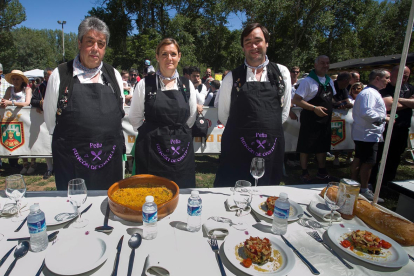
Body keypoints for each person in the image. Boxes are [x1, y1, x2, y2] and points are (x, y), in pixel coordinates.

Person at [43, 17, 125, 190]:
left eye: (101, 44)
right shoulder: (60, 75)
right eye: (90, 42)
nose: (95, 48)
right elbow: (51, 121)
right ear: (79, 43)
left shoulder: (113, 75)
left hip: (109, 160)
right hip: (71, 163)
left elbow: (119, 113)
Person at [214, 23, 291, 187]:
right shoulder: (232, 78)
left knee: (266, 193)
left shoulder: (281, 73)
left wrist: (267, 130)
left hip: (270, 147)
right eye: (248, 42)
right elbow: (223, 115)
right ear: (243, 47)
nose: (253, 46)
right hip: (237, 150)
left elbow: (283, 113)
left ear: (267, 43)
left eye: (258, 40)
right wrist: (243, 135)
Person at [129, 38, 197, 188]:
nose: (169, 58)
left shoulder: (187, 84)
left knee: (181, 191)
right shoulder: (144, 84)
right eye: (164, 54)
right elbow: (135, 118)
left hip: (180, 151)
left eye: (173, 54)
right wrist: (152, 134)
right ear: (157, 57)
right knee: (150, 193)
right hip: (151, 150)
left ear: (179, 56)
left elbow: (191, 117)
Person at [292, 55, 336, 183]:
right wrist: (314, 108)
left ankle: (322, 172)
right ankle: (304, 173)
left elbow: (330, 98)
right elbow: (296, 100)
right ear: (315, 65)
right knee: (306, 147)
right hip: (310, 119)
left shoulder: (329, 81)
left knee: (322, 146)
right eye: (322, 63)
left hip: (325, 121)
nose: (325, 65)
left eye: (327, 63)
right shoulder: (308, 81)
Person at [370, 65, 414, 187]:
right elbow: (388, 105)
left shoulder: (409, 88)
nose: (404, 78)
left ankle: (388, 184)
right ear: (393, 74)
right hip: (385, 128)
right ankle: (371, 182)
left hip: (402, 128)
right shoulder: (385, 87)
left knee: (394, 158)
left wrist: (397, 100)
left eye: (406, 76)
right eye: (401, 75)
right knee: (377, 157)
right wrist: (407, 102)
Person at [351, 69, 390, 202]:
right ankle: (363, 189)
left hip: (366, 133)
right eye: (387, 78)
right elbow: (366, 112)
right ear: (377, 78)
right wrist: (383, 118)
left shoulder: (371, 93)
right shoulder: (369, 93)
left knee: (359, 158)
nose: (388, 81)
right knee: (368, 162)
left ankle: (353, 185)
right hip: (367, 134)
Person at [1, 70, 34, 173]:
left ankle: (33, 163)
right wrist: (3, 103)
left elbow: (27, 103)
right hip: (14, 121)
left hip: (27, 119)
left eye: (17, 79)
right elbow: (4, 101)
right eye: (14, 79)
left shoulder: (27, 89)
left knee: (29, 140)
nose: (15, 81)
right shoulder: (9, 89)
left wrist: (10, 102)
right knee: (21, 141)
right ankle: (25, 164)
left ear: (22, 80)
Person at [31, 68, 55, 179]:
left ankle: (59, 167)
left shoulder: (58, 86)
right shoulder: (40, 88)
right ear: (45, 77)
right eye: (50, 75)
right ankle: (49, 168)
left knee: (57, 144)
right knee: (46, 143)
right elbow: (33, 101)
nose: (52, 77)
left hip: (58, 120)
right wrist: (40, 103)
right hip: (44, 121)